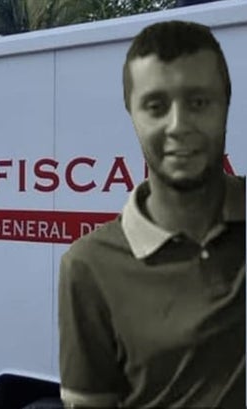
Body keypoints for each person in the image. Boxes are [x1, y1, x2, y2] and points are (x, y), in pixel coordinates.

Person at [58, 21, 244, 408]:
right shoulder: (89, 265)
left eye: (198, 102)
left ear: (226, 103)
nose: (178, 126)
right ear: (132, 112)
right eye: (156, 107)